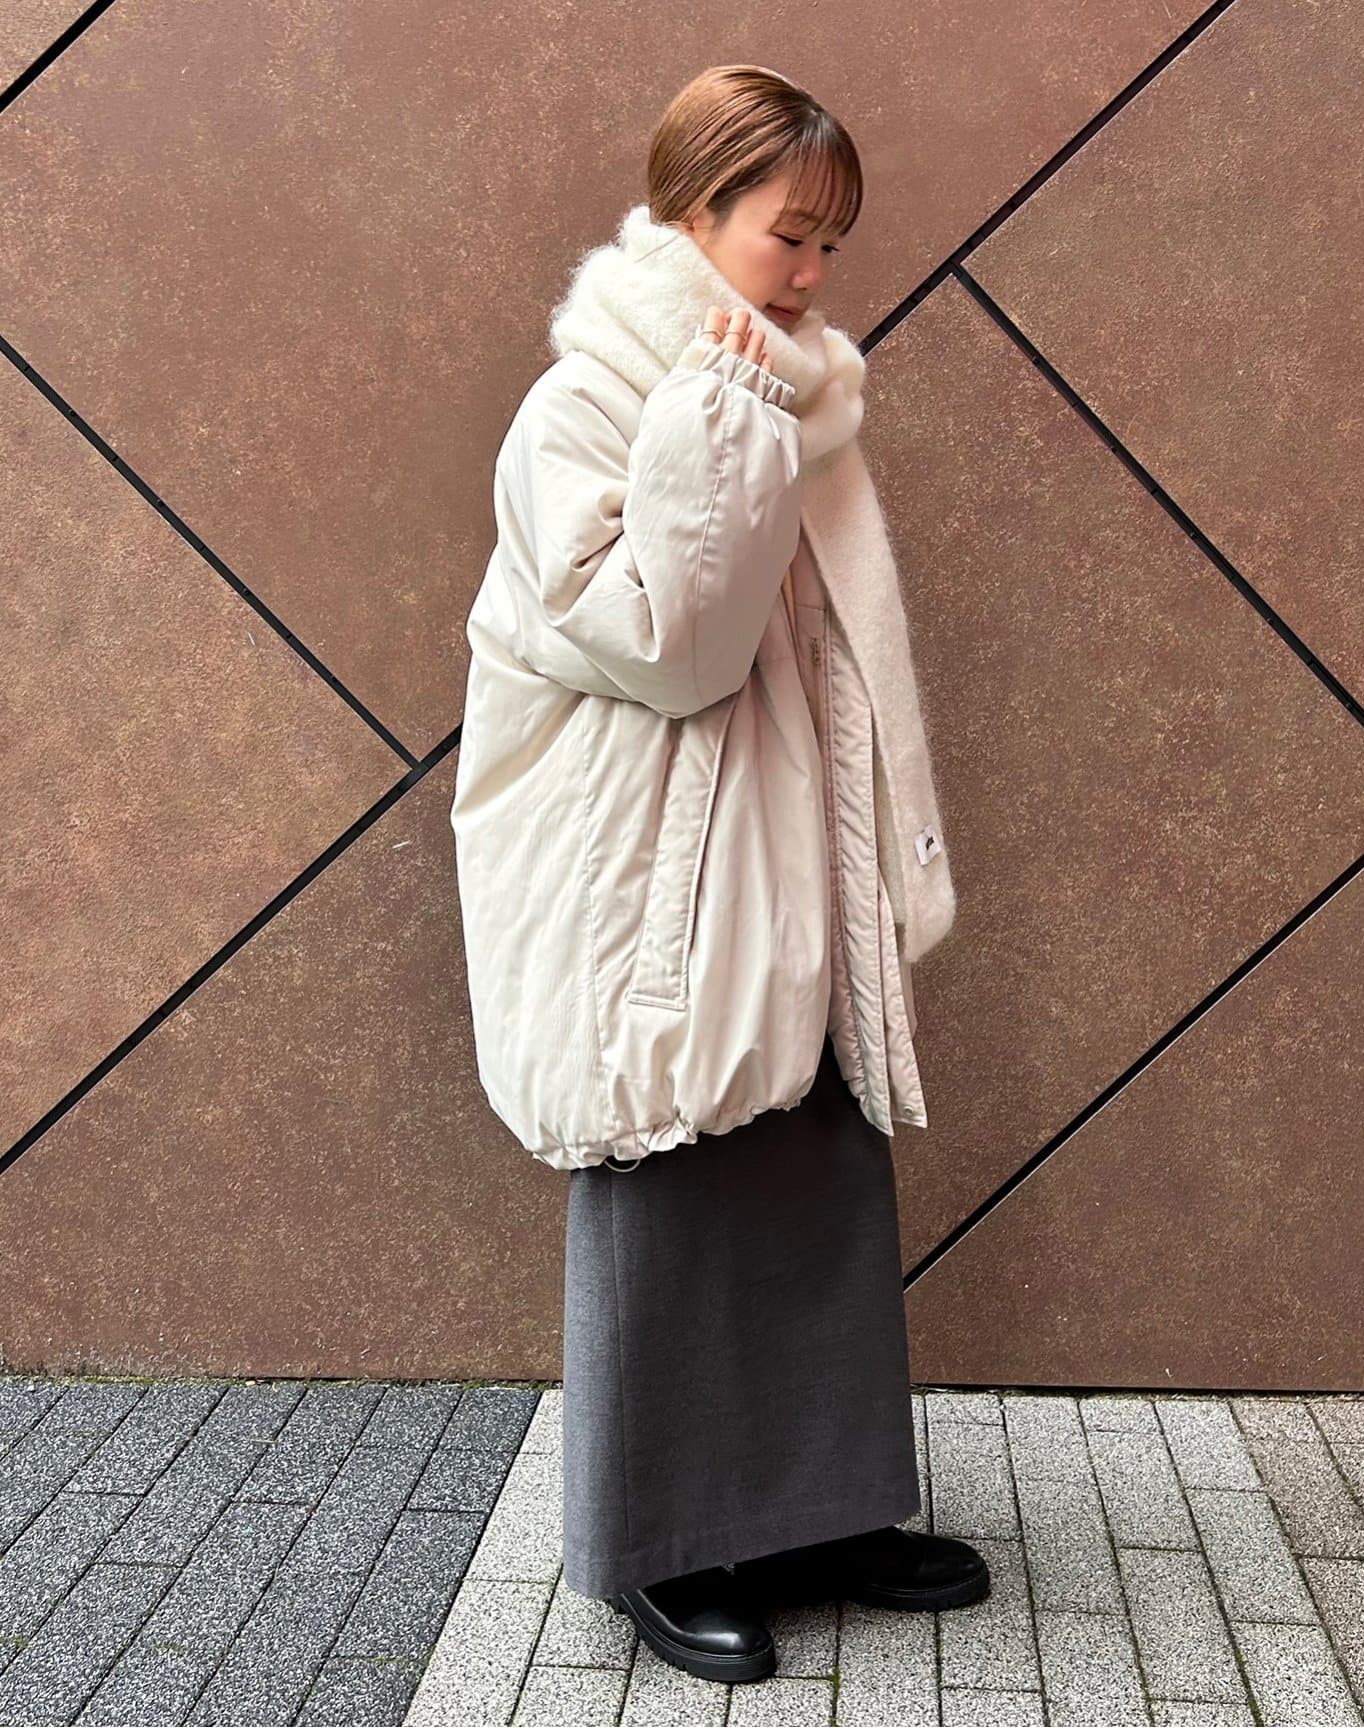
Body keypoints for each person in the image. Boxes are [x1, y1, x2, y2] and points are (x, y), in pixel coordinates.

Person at [449, 65, 989, 1684]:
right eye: (787, 233)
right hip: (650, 874)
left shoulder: (794, 392)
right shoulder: (591, 405)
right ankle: (661, 1542)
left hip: (787, 840)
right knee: (670, 1170)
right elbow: (666, 647)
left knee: (816, 1156)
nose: (814, 273)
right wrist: (714, 417)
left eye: (832, 242)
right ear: (694, 213)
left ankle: (821, 1510)